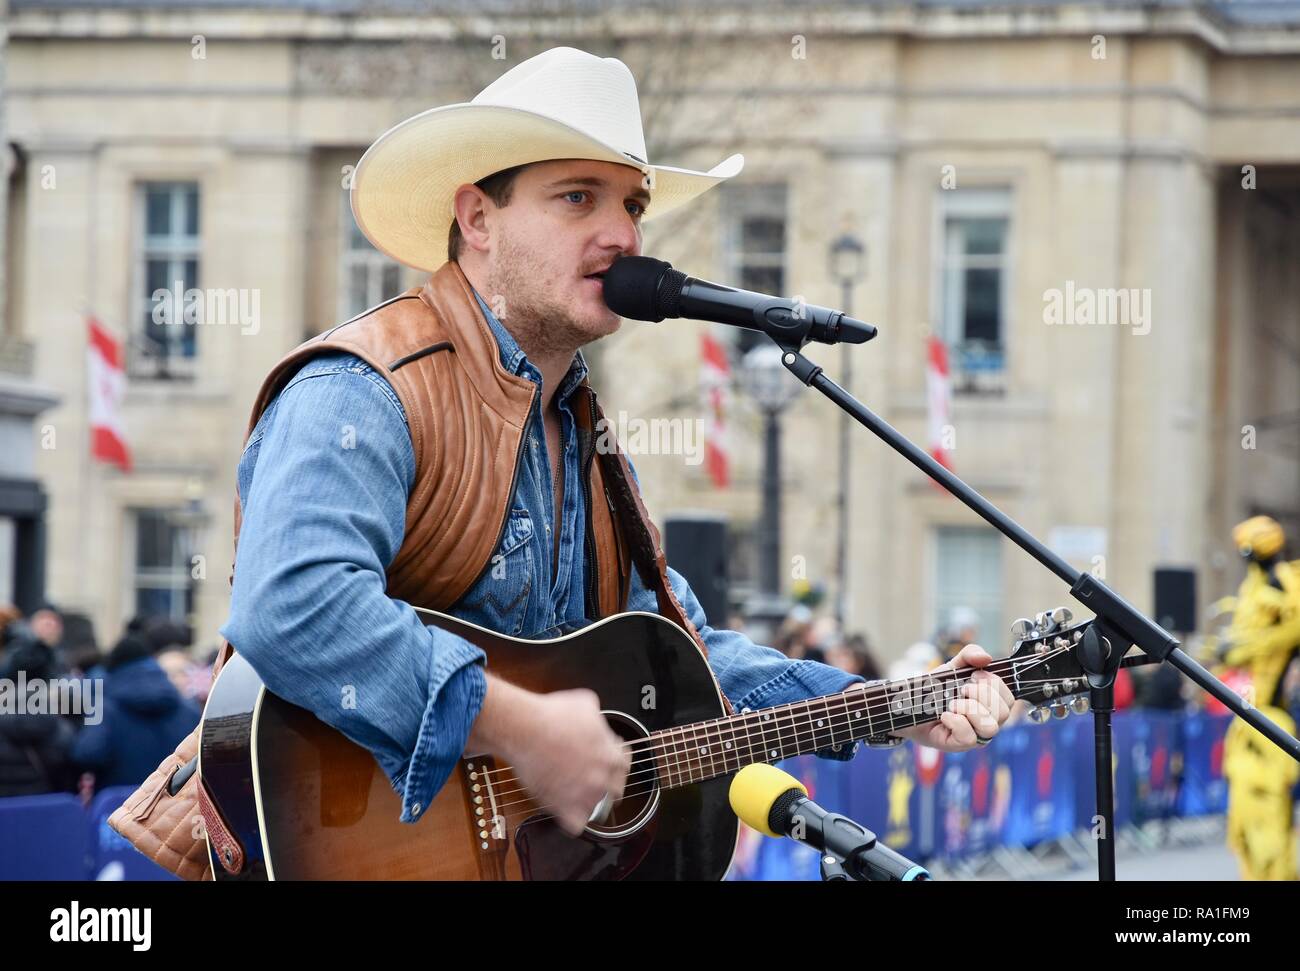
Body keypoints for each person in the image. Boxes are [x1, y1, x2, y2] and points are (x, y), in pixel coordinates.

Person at [220, 47, 1013, 841]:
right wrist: (519, 726)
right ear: (477, 218)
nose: (623, 233)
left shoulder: (582, 436)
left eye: (632, 203)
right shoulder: (363, 388)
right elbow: (293, 602)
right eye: (577, 197)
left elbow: (686, 660)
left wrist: (892, 706)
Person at [71, 632, 201, 789]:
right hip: (175, 804)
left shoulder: (107, 709)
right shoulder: (189, 708)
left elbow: (88, 754)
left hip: (120, 804)